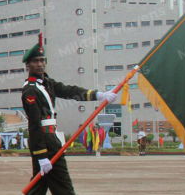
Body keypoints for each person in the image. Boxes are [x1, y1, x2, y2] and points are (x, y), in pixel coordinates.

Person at [21, 34, 117, 195]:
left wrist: (98, 95)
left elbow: (69, 91)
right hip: (46, 143)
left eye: (42, 60)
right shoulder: (31, 90)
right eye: (35, 61)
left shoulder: (47, 83)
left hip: (51, 139)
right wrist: (42, 155)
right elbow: (35, 125)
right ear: (27, 65)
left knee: (38, 186)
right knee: (63, 187)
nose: (39, 64)